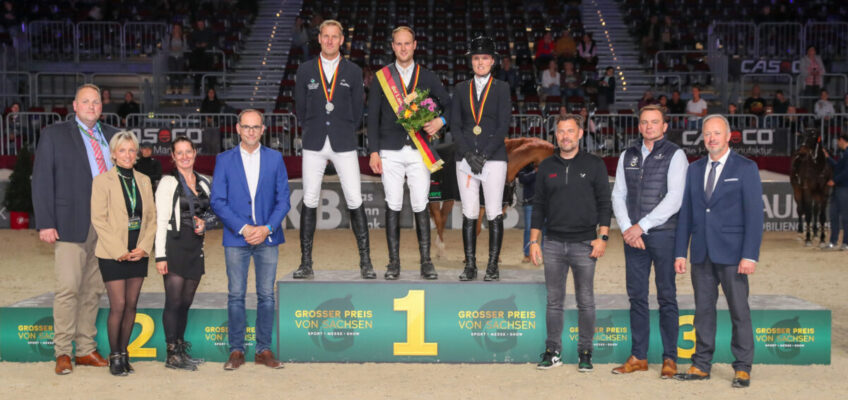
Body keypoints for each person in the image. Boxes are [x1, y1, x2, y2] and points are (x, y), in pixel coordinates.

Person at [32, 83, 118, 375]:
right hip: (70, 223)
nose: (92, 106)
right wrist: (46, 222)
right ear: (75, 105)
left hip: (105, 226)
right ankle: (63, 352)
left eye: (96, 101)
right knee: (68, 289)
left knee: (93, 290)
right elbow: (42, 180)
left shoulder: (112, 136)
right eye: (86, 101)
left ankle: (85, 349)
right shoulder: (54, 135)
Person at [673, 114, 763, 389]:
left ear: (728, 136)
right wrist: (680, 252)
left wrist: (750, 255)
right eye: (707, 134)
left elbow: (754, 215)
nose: (711, 138)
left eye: (716, 133)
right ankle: (701, 364)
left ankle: (743, 367)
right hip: (701, 254)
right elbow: (686, 213)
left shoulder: (746, 168)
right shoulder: (695, 168)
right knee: (703, 312)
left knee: (739, 311)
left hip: (734, 256)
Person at [367, 26, 451, 280]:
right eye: (398, 44)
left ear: (415, 45)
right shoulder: (382, 77)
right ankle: (394, 263)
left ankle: (426, 261)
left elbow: (449, 103)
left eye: (407, 43)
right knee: (392, 204)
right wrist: (373, 152)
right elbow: (372, 117)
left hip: (418, 151)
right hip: (389, 151)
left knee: (420, 204)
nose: (403, 48)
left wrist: (440, 121)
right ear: (392, 46)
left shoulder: (427, 76)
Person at [611, 105, 688, 378]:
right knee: (637, 298)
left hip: (664, 235)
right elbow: (618, 194)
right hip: (633, 239)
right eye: (644, 122)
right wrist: (626, 229)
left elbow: (675, 198)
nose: (649, 126)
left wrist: (640, 226)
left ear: (664, 126)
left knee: (667, 297)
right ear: (639, 126)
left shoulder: (676, 155)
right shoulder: (627, 155)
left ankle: (670, 359)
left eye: (655, 122)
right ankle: (639, 356)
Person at [210, 109, 291, 370]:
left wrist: (266, 228)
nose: (251, 131)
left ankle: (263, 349)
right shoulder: (224, 160)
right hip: (237, 238)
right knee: (236, 295)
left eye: (256, 127)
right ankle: (236, 351)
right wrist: (244, 228)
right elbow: (217, 201)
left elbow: (284, 200)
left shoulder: (275, 158)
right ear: (237, 129)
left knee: (267, 295)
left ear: (264, 129)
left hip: (267, 238)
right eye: (246, 127)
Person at [292, 19, 372, 279]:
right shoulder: (305, 70)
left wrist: (344, 127)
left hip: (344, 142)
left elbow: (359, 109)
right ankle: (306, 263)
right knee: (310, 199)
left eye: (334, 36)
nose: (329, 40)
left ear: (341, 40)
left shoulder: (353, 71)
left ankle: (366, 262)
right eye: (325, 36)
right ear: (319, 39)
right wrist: (314, 126)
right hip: (314, 143)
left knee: (355, 198)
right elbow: (300, 107)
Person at [531, 114, 611, 371]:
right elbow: (539, 206)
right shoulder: (545, 167)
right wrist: (534, 242)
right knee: (554, 301)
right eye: (561, 131)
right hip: (553, 244)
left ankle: (585, 352)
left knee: (585, 300)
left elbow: (604, 204)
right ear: (556, 135)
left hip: (585, 244)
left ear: (579, 134)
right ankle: (552, 351)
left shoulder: (595, 164)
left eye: (570, 131)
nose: (565, 136)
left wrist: (603, 237)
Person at [90, 130, 156, 376]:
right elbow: (99, 220)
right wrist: (119, 251)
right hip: (112, 252)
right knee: (117, 305)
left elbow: (152, 219)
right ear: (113, 154)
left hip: (138, 251)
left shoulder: (145, 181)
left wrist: (144, 247)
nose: (127, 155)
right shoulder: (101, 181)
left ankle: (125, 353)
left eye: (131, 150)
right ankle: (114, 355)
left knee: (131, 305)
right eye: (122, 150)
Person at [451, 36, 511, 281]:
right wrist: (468, 154)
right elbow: (455, 125)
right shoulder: (460, 88)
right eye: (476, 58)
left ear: (492, 61)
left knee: (494, 211)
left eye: (485, 58)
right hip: (465, 159)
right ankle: (470, 266)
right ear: (471, 62)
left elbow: (503, 125)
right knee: (469, 212)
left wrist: (484, 155)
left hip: (493, 158)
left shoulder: (502, 88)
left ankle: (493, 265)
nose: (480, 62)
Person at [154, 137, 211, 371]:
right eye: (180, 152)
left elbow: (211, 213)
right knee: (174, 302)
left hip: (196, 247)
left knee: (186, 303)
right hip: (174, 246)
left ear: (195, 153)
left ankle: (181, 348)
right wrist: (160, 256)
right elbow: (160, 220)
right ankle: (172, 354)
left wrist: (205, 223)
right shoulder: (167, 182)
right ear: (173, 157)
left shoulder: (205, 182)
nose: (185, 156)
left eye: (189, 151)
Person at [428, 142, 459, 259]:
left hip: (439, 174)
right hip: (440, 175)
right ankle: (440, 239)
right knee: (439, 213)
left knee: (440, 213)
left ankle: (440, 238)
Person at [823, 134, 848, 250]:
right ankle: (833, 241)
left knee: (845, 217)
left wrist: (834, 180)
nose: (837, 143)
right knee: (833, 215)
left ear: (842, 140)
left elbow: (846, 172)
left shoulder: (847, 153)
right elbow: (838, 167)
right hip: (838, 188)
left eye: (838, 141)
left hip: (844, 188)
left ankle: (845, 243)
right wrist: (828, 157)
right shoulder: (843, 153)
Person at [517, 163, 537, 263]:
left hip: (544, 202)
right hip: (529, 202)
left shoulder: (547, 165)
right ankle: (527, 254)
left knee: (546, 228)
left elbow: (553, 177)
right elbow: (523, 179)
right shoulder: (525, 165)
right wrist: (535, 172)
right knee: (529, 229)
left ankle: (546, 254)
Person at [799, 45, 825, 110]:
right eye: (810, 50)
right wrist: (810, 73)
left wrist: (818, 72)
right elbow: (802, 70)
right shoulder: (804, 59)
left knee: (817, 99)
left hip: (817, 82)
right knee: (808, 100)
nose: (812, 51)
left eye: (813, 50)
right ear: (807, 51)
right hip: (808, 83)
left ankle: (816, 114)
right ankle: (808, 115)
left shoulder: (818, 59)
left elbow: (823, 70)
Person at [167, 23, 187, 95]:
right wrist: (171, 49)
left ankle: (180, 90)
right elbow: (166, 47)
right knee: (172, 73)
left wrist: (180, 49)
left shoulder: (183, 37)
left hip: (180, 57)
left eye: (178, 28)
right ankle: (172, 89)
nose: (176, 29)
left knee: (180, 73)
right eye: (175, 28)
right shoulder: (169, 37)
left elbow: (185, 48)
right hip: (171, 56)